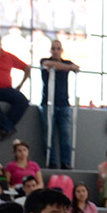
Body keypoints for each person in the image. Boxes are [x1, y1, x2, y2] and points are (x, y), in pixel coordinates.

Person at [40, 38, 80, 169]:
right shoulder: (44, 61)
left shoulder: (67, 62)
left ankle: (66, 162)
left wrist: (67, 67)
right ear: (50, 50)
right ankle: (51, 162)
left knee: (66, 135)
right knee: (48, 134)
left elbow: (76, 68)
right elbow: (49, 65)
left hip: (64, 104)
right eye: (53, 48)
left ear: (62, 51)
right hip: (48, 103)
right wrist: (67, 67)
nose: (56, 51)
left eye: (58, 48)